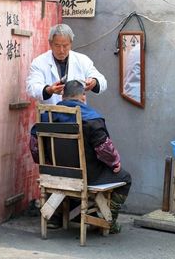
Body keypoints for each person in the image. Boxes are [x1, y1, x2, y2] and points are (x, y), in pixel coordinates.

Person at [31, 80, 132, 234]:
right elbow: (105, 149)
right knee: (125, 177)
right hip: (87, 176)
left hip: (55, 174)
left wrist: (46, 163)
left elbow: (34, 145)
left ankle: (56, 217)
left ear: (63, 97)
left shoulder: (46, 116)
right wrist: (115, 164)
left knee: (65, 168)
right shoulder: (91, 118)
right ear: (83, 97)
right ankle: (107, 222)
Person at [26, 24, 107, 104]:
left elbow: (103, 82)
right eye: (57, 45)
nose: (61, 50)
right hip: (50, 114)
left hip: (77, 113)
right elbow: (32, 88)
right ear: (50, 44)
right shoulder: (39, 62)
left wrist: (94, 82)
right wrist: (49, 90)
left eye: (65, 46)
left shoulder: (82, 60)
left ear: (71, 44)